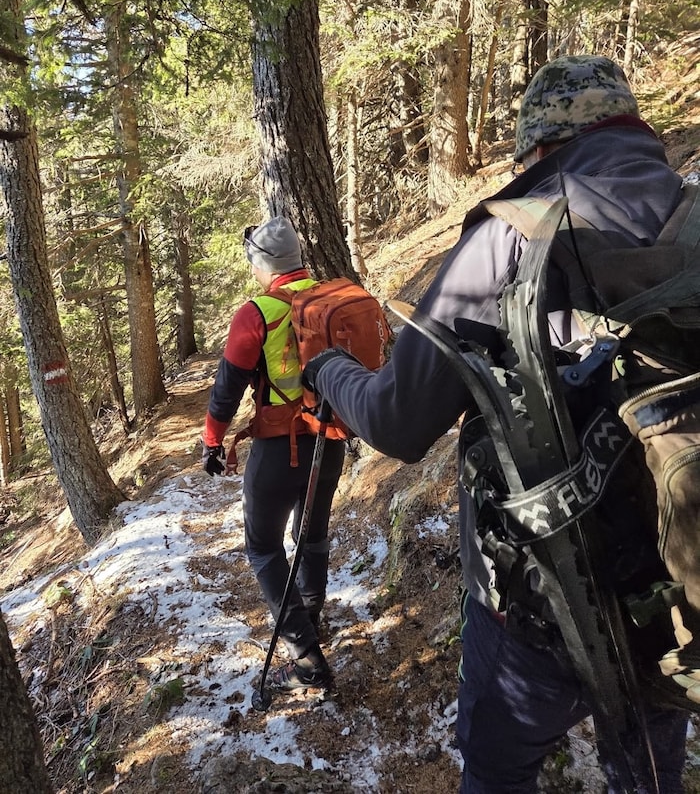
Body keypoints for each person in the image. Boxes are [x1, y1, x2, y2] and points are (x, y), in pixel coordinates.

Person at [301, 55, 693, 792]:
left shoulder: (514, 234)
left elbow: (399, 419)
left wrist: (328, 371)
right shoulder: (694, 214)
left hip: (538, 604)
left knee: (496, 766)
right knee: (646, 769)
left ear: (542, 148)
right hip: (676, 583)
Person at [201, 217, 345, 692]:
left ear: (263, 264)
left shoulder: (257, 312)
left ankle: (304, 653)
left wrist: (212, 439)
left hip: (280, 450)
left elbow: (226, 390)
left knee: (263, 546)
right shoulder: (329, 299)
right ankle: (310, 613)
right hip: (330, 440)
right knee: (312, 531)